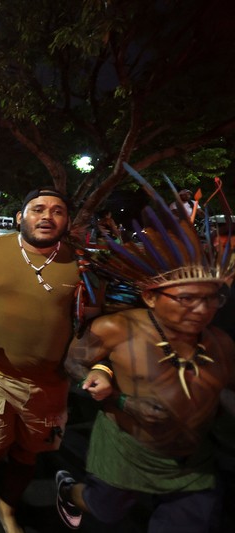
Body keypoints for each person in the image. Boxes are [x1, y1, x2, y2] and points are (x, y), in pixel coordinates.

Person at [55, 169, 235, 532]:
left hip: (192, 464)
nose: (201, 310)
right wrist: (117, 395)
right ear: (151, 296)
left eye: (210, 299)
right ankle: (69, 490)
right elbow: (74, 363)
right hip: (126, 452)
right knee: (105, 509)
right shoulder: (116, 327)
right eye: (186, 299)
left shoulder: (221, 343)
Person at [0, 187, 79, 533]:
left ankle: (8, 507)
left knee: (29, 453)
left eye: (57, 211)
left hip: (51, 383)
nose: (47, 216)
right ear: (20, 217)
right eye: (38, 209)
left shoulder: (81, 264)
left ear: (67, 221)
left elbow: (94, 319)